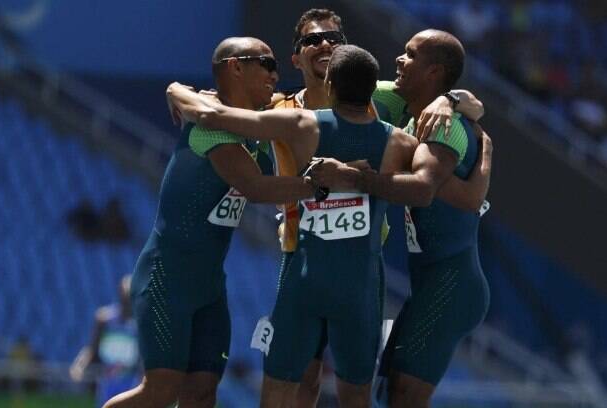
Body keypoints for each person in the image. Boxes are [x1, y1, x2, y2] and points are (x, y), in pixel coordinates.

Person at [167, 41, 486, 408]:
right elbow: (436, 188)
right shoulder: (401, 141)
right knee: (358, 398)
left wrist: (177, 90)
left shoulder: (301, 123)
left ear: (329, 86)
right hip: (360, 289)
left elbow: (214, 118)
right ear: (374, 93)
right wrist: (482, 148)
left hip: (304, 280)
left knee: (279, 390)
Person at [274, 8, 488, 406]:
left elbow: (456, 191)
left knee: (383, 393)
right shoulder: (283, 108)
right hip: (307, 259)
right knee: (344, 387)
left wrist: (453, 100)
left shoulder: (386, 101)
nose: (324, 46)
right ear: (296, 57)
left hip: (388, 271)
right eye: (311, 41)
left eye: (334, 40)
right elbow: (232, 114)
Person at [103, 37, 318, 408]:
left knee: (202, 393)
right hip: (167, 278)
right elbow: (255, 186)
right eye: (265, 63)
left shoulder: (250, 130)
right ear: (235, 66)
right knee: (158, 392)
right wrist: (324, 184)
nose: (275, 73)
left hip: (210, 287)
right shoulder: (208, 125)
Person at [71, 275, 141, 407]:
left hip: (131, 381)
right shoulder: (105, 319)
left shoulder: (140, 323)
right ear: (119, 295)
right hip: (107, 380)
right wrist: (79, 366)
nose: (127, 302)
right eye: (124, 297)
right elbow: (91, 348)